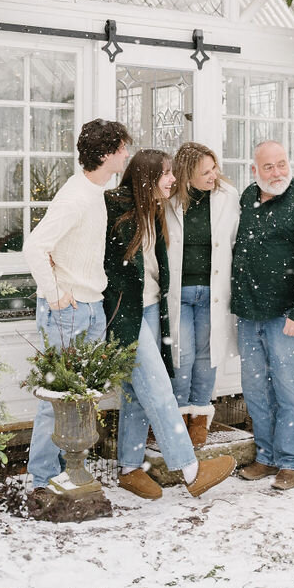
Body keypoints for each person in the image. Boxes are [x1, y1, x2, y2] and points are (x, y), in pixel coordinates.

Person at [105, 149, 236, 501]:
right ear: (147, 177)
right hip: (127, 314)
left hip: (151, 309)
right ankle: (191, 470)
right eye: (166, 173)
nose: (173, 179)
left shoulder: (154, 210)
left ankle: (129, 468)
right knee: (160, 387)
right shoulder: (113, 208)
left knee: (137, 392)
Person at [23, 117, 132, 493]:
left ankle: (69, 473)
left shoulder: (94, 192)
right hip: (67, 311)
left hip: (89, 305)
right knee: (56, 400)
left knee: (80, 399)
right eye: (122, 148)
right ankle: (42, 481)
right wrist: (54, 293)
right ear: (105, 154)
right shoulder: (76, 196)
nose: (126, 155)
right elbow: (35, 247)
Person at [231, 140, 294, 492]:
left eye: (281, 164)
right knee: (256, 390)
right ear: (254, 170)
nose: (277, 172)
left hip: (285, 316)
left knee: (287, 390)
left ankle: (291, 462)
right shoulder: (247, 198)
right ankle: (266, 456)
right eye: (268, 166)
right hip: (248, 313)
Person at [164, 142, 240, 448]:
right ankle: (178, 415)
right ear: (186, 175)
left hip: (213, 291)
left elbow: (234, 241)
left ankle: (199, 415)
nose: (213, 176)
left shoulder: (227, 196)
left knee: (207, 354)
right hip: (179, 292)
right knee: (181, 355)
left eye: (214, 168)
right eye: (205, 172)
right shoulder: (169, 200)